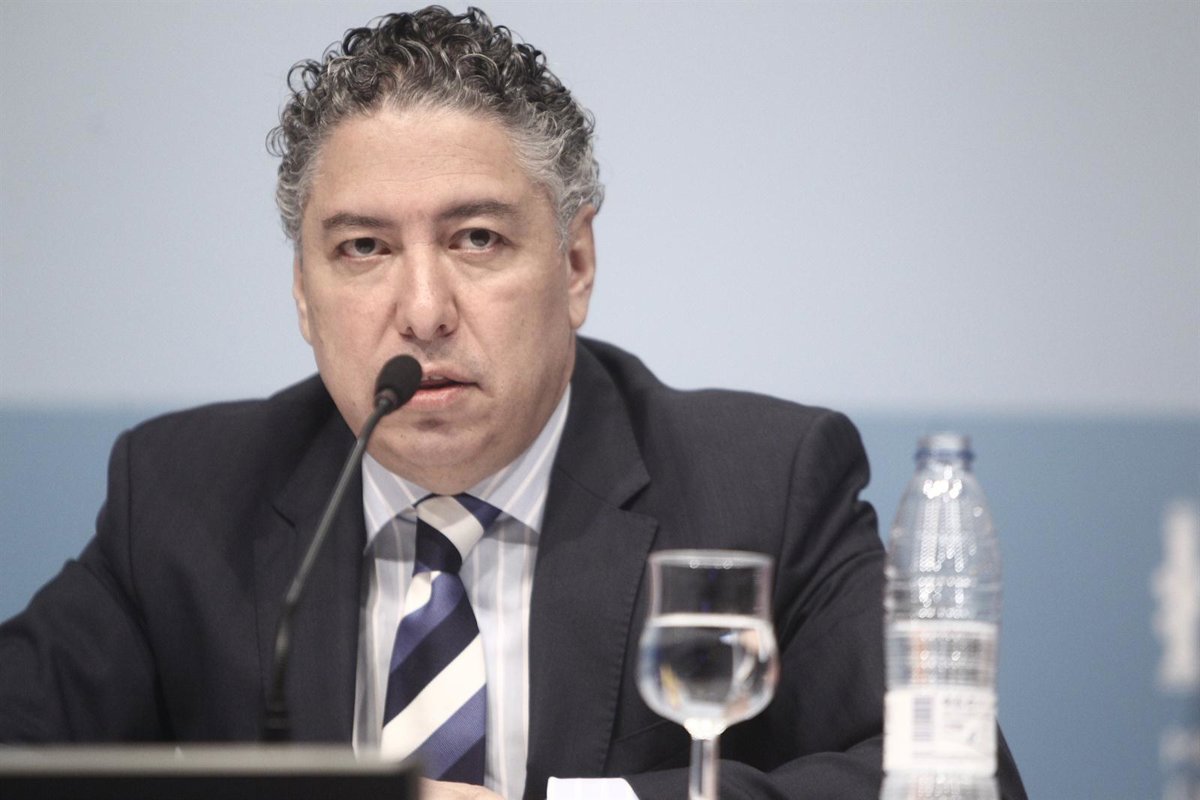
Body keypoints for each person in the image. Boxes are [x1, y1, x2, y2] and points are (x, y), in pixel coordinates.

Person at [0, 6, 1026, 800]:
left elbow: (954, 780)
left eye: (477, 239)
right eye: (363, 248)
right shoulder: (183, 497)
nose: (423, 311)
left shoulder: (762, 484)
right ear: (304, 296)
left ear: (575, 263)